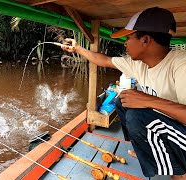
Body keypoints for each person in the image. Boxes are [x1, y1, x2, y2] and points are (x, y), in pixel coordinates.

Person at [62, 7, 186, 180]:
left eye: (128, 38)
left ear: (145, 40)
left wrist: (149, 100)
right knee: (123, 101)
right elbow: (103, 60)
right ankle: (142, 148)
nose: (125, 43)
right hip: (165, 126)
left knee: (137, 116)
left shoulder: (181, 64)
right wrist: (78, 49)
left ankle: (179, 173)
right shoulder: (139, 64)